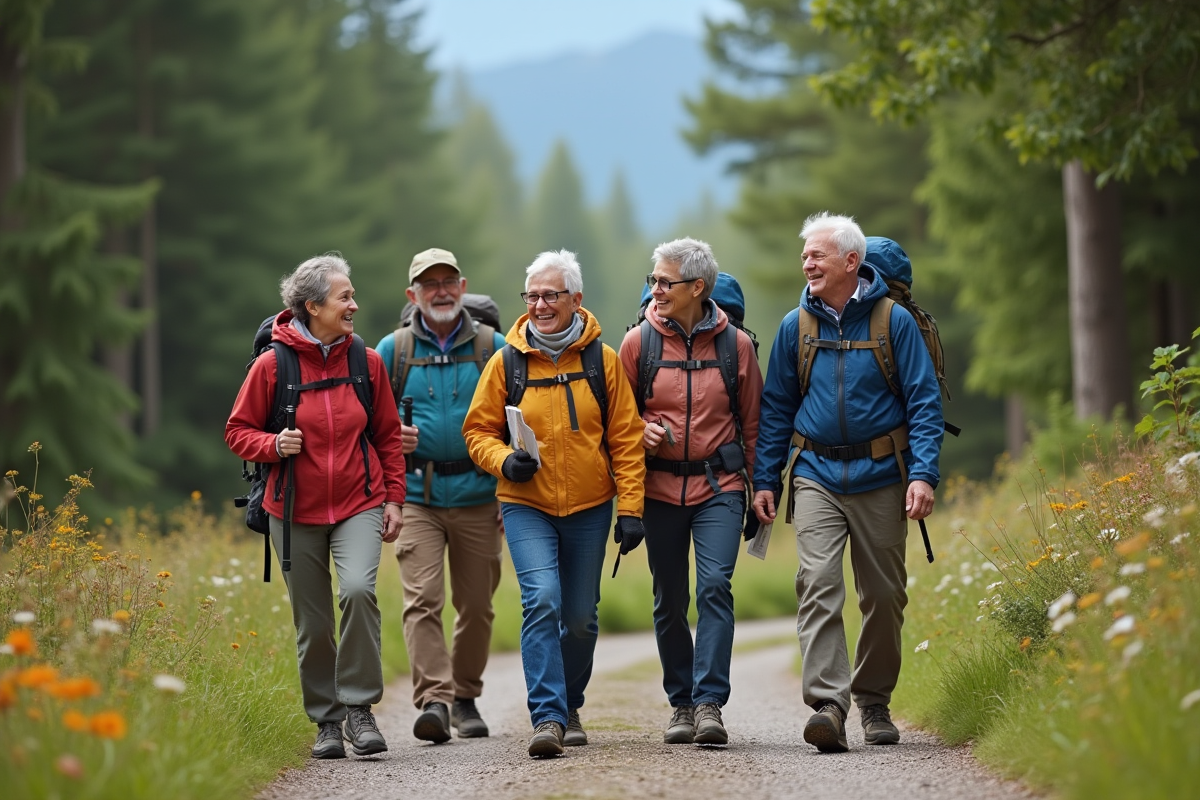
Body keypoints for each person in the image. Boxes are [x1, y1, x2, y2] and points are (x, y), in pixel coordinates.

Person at [751, 213, 943, 753]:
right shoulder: (796, 326)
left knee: (883, 595)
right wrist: (767, 479)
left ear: (851, 262)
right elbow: (777, 410)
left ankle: (874, 702)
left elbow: (923, 403)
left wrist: (923, 473)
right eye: (805, 254)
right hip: (815, 475)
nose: (807, 262)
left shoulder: (892, 323)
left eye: (818, 255)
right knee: (816, 582)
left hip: (883, 474)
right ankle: (828, 706)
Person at [462, 249, 647, 758]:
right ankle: (547, 716)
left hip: (590, 506)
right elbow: (477, 430)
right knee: (541, 599)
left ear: (576, 299)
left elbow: (627, 441)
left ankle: (570, 702)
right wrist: (504, 461)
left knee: (582, 616)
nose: (540, 305)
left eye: (551, 295)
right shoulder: (507, 361)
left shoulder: (602, 361)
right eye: (533, 295)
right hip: (526, 504)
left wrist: (631, 509)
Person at [226, 253, 406, 760]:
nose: (354, 304)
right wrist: (272, 446)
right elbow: (237, 431)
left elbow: (388, 437)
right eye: (344, 297)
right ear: (312, 306)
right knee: (313, 622)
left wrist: (394, 499)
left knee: (356, 591)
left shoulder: (365, 362)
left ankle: (359, 709)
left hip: (359, 502)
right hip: (292, 508)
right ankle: (326, 722)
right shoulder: (271, 365)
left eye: (351, 295)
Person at [617, 238, 762, 746]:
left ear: (697, 288)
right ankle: (680, 701)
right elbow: (615, 421)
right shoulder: (638, 343)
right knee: (669, 599)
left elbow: (755, 425)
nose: (655, 289)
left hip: (719, 488)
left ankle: (708, 705)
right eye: (653, 280)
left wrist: (758, 490)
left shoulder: (736, 347)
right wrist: (639, 430)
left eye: (664, 281)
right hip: (657, 490)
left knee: (715, 587)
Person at [374, 248, 507, 743]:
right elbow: (368, 425)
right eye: (429, 284)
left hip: (480, 493)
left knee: (476, 605)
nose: (441, 291)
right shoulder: (394, 350)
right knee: (422, 599)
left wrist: (507, 492)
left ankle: (466, 697)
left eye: (448, 281)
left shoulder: (494, 346)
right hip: (416, 495)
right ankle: (435, 700)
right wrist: (394, 440)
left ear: (463, 284)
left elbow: (518, 421)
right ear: (413, 295)